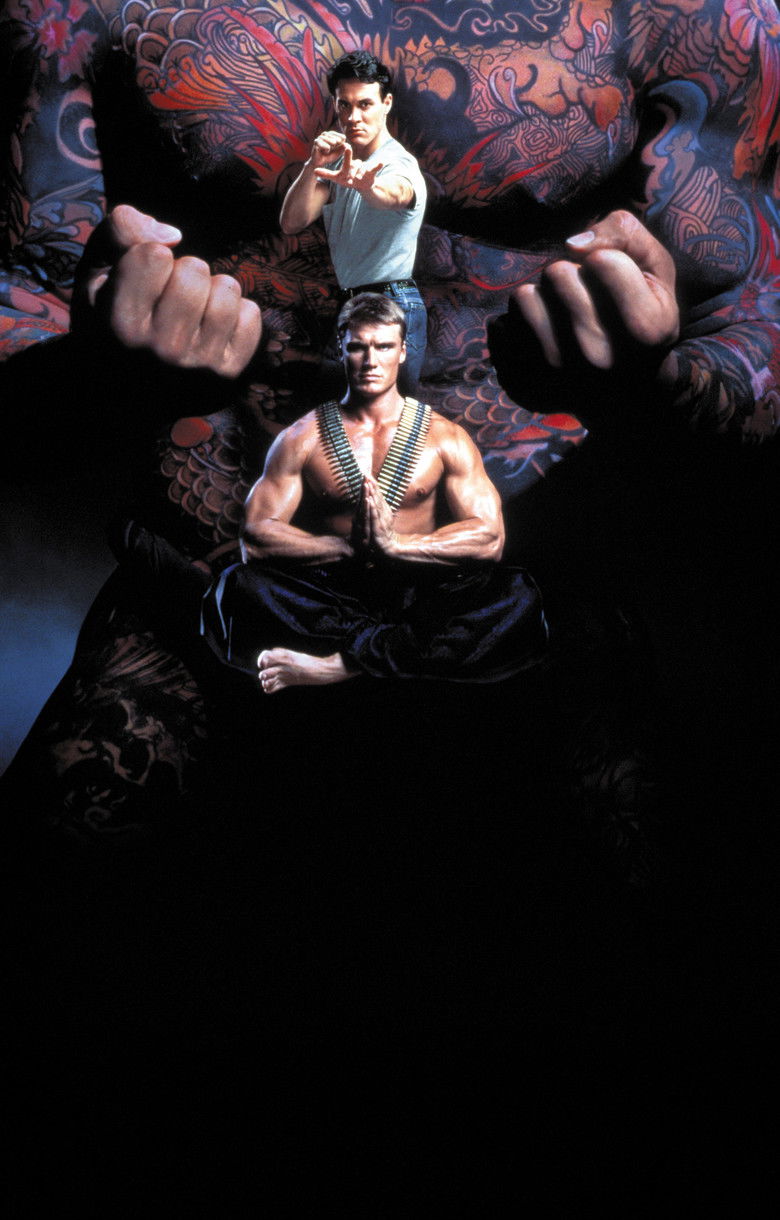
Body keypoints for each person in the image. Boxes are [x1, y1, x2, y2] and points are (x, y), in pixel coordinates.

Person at [199, 293, 546, 688]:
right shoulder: (302, 437)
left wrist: (396, 545)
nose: (370, 360)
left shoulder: (445, 437)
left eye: (383, 346)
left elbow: (489, 538)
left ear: (402, 351)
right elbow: (256, 538)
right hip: (336, 593)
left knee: (517, 595)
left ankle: (339, 664)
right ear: (341, 350)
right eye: (358, 347)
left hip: (420, 589)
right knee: (236, 587)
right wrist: (347, 547)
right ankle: (397, 652)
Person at [279, 50, 428, 392]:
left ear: (386, 103)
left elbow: (397, 193)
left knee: (390, 415)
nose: (352, 117)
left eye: (365, 104)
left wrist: (367, 185)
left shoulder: (398, 162)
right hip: (353, 305)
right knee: (340, 410)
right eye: (344, 105)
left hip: (393, 304)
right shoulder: (336, 165)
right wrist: (313, 164)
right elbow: (291, 222)